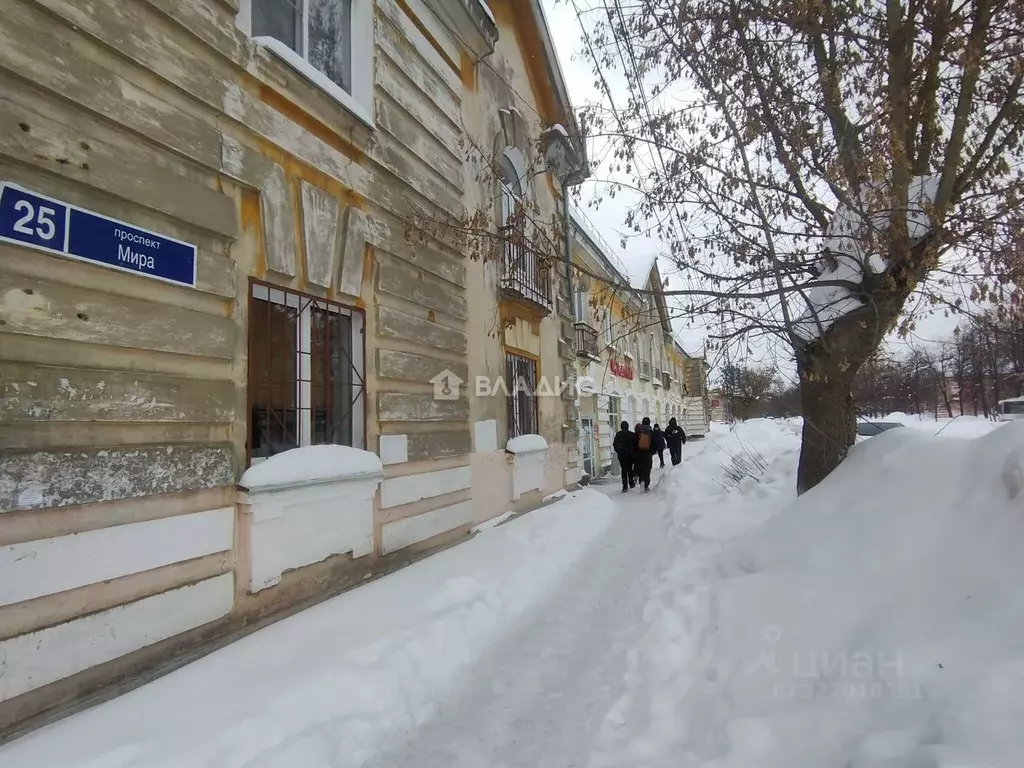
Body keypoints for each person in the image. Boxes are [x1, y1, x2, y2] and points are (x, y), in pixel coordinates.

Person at [612, 420, 636, 492]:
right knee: (630, 469)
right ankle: (631, 483)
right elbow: (635, 445)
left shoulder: (618, 434)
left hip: (622, 456)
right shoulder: (631, 434)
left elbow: (615, 445)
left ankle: (625, 486)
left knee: (624, 470)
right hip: (630, 455)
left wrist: (619, 451)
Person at [634, 417, 655, 492]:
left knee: (641, 468)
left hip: (639, 454)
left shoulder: (638, 432)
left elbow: (634, 442)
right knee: (647, 469)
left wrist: (636, 451)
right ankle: (646, 485)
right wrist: (652, 451)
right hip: (648, 454)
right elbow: (655, 443)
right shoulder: (651, 432)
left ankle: (641, 480)